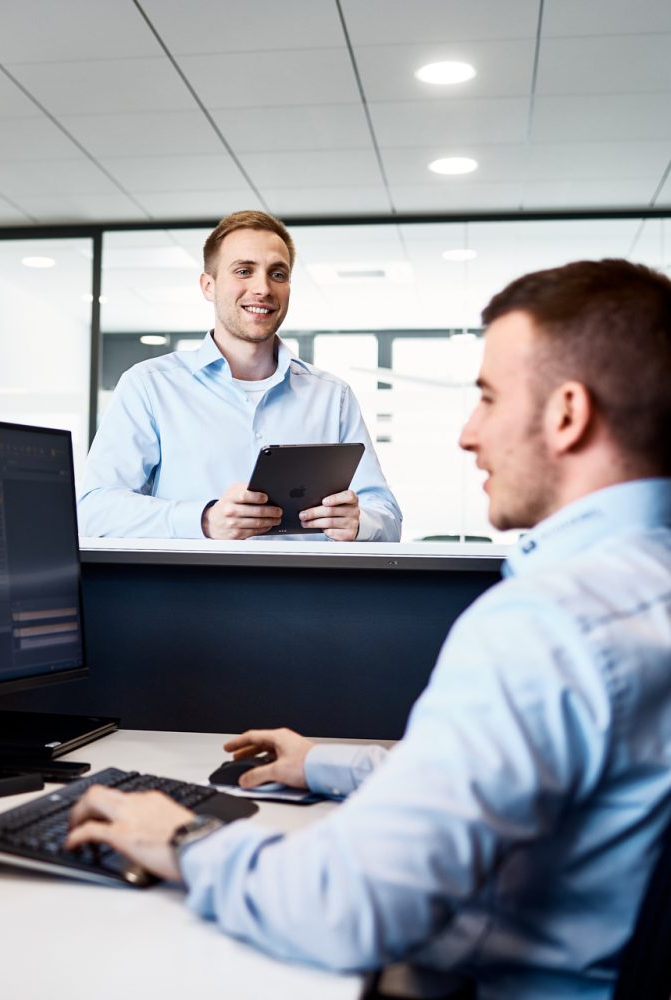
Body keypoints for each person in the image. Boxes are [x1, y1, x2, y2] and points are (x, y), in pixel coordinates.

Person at [65, 259, 671, 998]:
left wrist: (181, 840)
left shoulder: (548, 624)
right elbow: (517, 780)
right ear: (209, 285)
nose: (467, 434)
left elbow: (351, 908)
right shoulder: (639, 593)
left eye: (486, 398)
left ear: (567, 415)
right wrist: (324, 762)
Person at [77, 210, 402, 541]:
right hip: (191, 592)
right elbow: (95, 512)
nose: (262, 288)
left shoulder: (333, 396)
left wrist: (360, 522)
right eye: (244, 271)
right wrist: (203, 521)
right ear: (208, 285)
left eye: (278, 274)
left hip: (309, 591)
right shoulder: (150, 386)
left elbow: (388, 517)